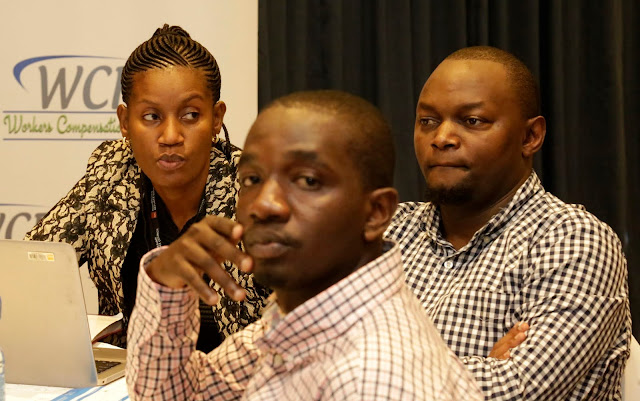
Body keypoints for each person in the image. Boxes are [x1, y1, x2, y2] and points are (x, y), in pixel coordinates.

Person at [126, 90, 484, 400]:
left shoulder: (372, 382)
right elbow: (179, 395)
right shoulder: (311, 309)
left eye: (308, 181)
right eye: (252, 178)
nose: (264, 204)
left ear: (376, 213)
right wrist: (167, 284)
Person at [384, 46, 631, 400]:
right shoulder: (386, 232)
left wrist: (359, 370)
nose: (441, 138)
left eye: (472, 121)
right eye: (428, 121)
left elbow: (517, 389)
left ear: (530, 137)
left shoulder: (573, 240)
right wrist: (481, 368)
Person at [24, 24, 269, 349]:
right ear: (125, 122)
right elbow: (27, 270)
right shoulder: (110, 175)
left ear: (216, 118)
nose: (170, 136)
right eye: (152, 117)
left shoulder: (254, 192)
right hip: (130, 374)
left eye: (190, 115)